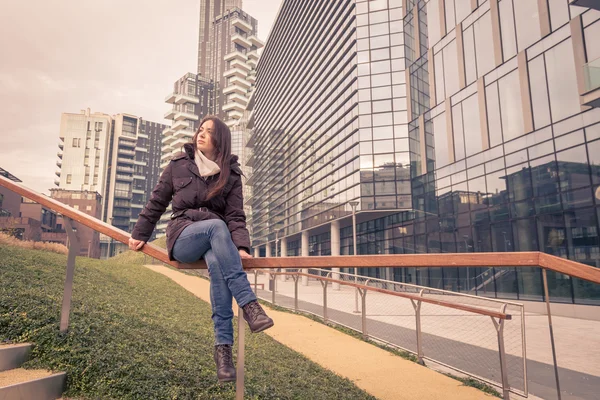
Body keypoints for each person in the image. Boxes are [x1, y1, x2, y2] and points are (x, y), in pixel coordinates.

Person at [128, 115, 273, 383]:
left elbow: (236, 215)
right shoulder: (179, 165)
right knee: (217, 227)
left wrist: (240, 247)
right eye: (200, 130)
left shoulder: (231, 174)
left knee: (219, 264)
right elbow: (157, 202)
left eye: (209, 132)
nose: (201, 134)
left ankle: (223, 353)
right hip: (184, 234)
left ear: (220, 141)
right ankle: (250, 305)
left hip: (215, 241)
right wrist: (140, 234)